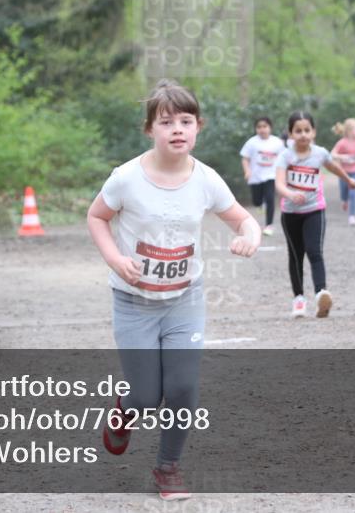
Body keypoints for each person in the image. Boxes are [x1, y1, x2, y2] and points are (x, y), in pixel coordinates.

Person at [86, 79, 261, 501]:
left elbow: (243, 218)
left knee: (183, 387)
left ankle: (168, 469)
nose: (177, 129)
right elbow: (96, 217)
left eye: (186, 121)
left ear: (198, 126)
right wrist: (115, 259)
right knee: (146, 397)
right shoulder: (126, 178)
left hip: (185, 300)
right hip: (134, 303)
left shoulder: (207, 179)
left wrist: (250, 235)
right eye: (167, 122)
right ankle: (125, 410)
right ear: (150, 129)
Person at [275, 111, 355, 319]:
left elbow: (334, 167)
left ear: (313, 132)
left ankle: (321, 294)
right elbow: (279, 183)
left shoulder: (320, 153)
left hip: (315, 210)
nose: (303, 134)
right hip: (291, 213)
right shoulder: (286, 156)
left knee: (315, 251)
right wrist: (290, 194)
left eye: (307, 130)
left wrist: (348, 180)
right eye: (298, 131)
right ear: (290, 134)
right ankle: (299, 299)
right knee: (296, 256)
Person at [240, 116, 285, 236]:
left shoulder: (277, 142)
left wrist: (282, 174)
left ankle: (269, 225)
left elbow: (283, 159)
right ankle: (260, 205)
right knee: (256, 201)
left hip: (271, 176)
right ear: (256, 129)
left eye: (265, 126)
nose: (262, 129)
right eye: (259, 127)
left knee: (270, 199)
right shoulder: (251, 142)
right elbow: (245, 159)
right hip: (255, 177)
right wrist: (247, 171)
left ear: (270, 128)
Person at [330, 118, 355, 226]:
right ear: (350, 131)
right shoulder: (342, 143)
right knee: (344, 192)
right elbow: (332, 154)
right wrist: (342, 157)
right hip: (343, 172)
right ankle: (344, 200)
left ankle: (352, 216)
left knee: (353, 193)